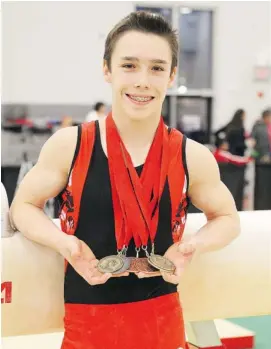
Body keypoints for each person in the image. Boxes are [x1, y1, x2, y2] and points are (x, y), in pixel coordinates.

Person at [10, 12, 240, 349]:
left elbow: (228, 219)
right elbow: (23, 207)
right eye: (129, 65)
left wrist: (194, 246)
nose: (143, 81)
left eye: (157, 68)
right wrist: (65, 244)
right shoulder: (70, 145)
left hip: (162, 320)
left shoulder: (192, 156)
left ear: (172, 75)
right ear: (107, 69)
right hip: (88, 322)